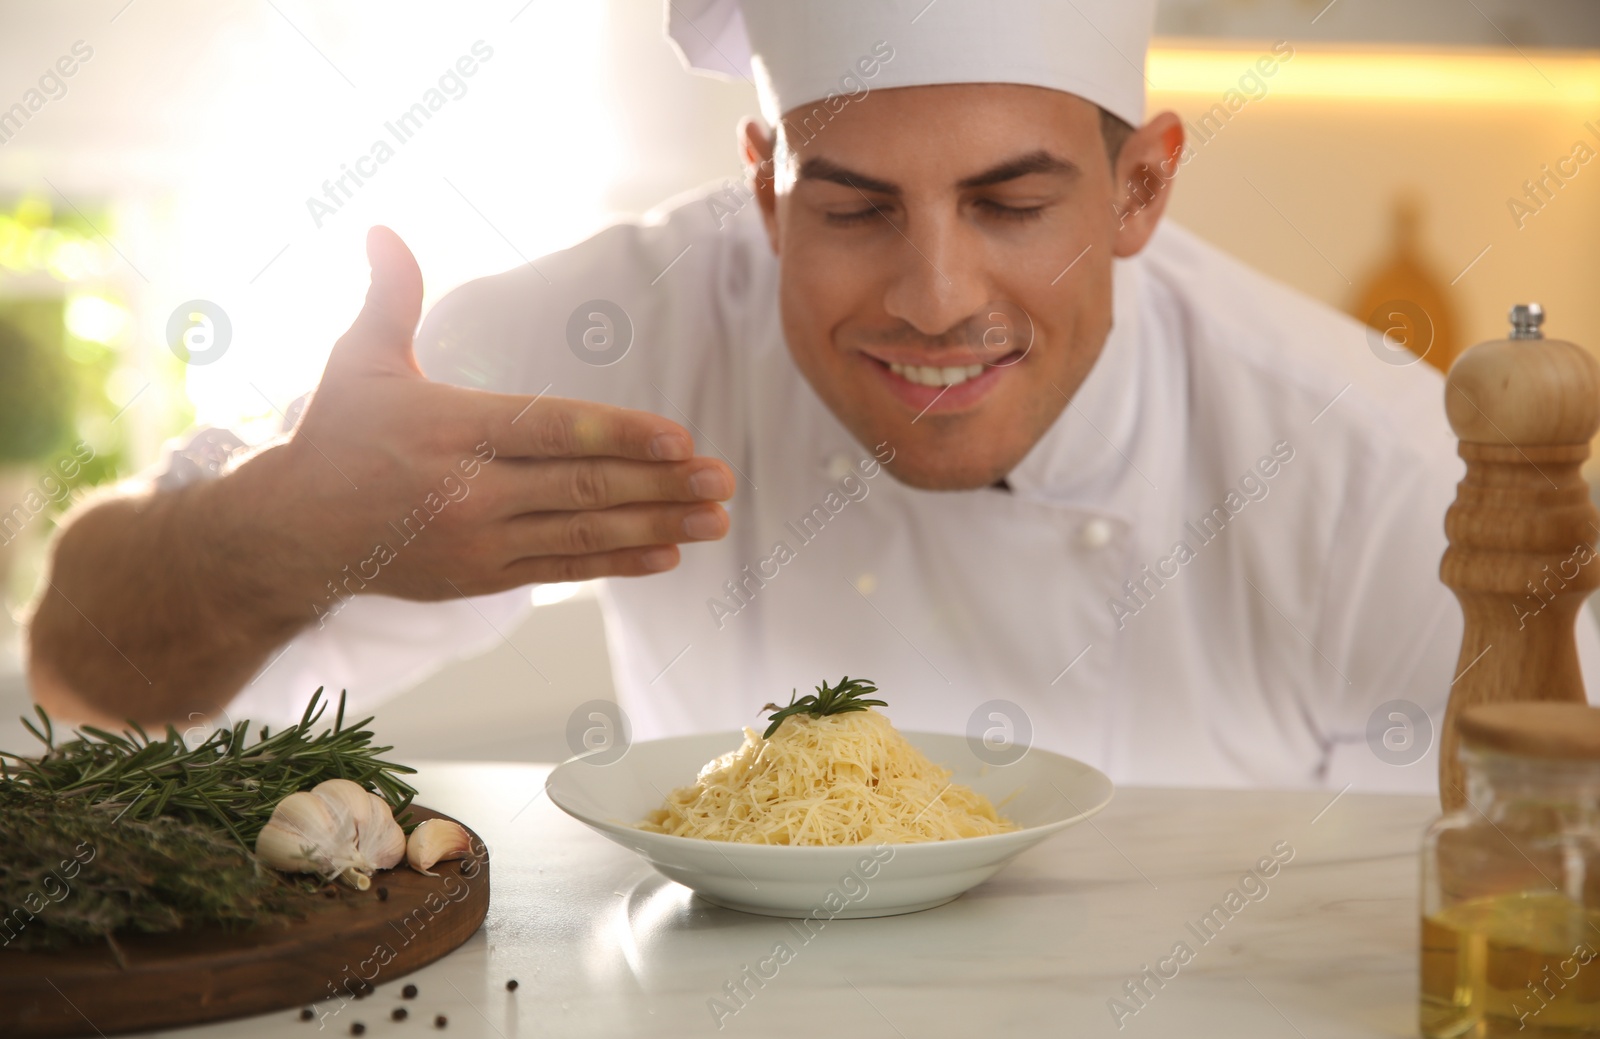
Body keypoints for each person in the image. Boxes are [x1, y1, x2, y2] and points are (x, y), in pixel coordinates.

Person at [26, 0, 1597, 791]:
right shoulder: (601, 339)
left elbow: (1526, 905)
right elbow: (82, 681)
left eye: (1011, 204)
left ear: (1143, 186)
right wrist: (269, 542)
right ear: (764, 183)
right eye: (853, 207)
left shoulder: (1373, 474)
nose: (930, 297)